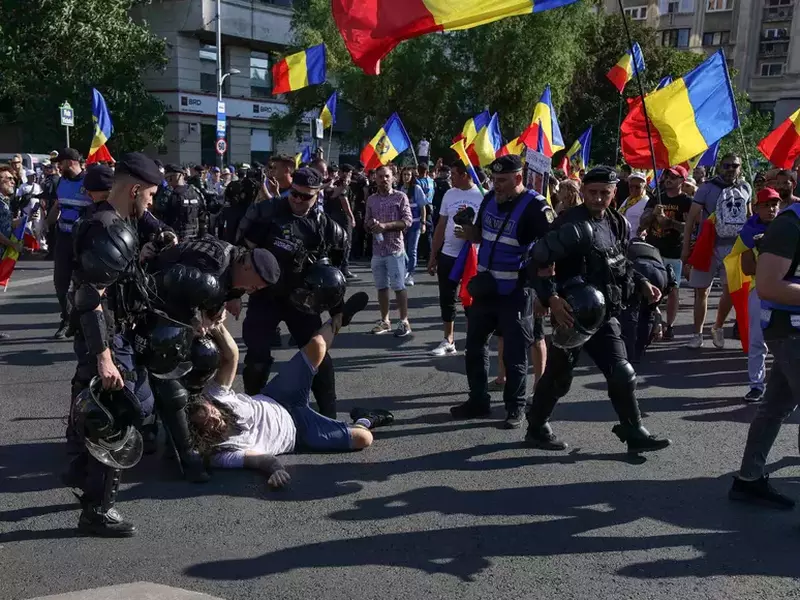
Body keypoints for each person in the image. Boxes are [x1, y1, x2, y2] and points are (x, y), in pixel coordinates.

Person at [526, 166, 671, 453]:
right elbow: (537, 260)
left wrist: (642, 282)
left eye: (605, 193)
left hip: (606, 314)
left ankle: (634, 431)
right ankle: (537, 426)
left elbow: (619, 261)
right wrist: (552, 299)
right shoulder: (569, 222)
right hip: (573, 315)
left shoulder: (617, 222)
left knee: (622, 372)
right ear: (583, 192)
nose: (598, 198)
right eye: (592, 192)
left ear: (614, 192)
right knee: (558, 378)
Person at [187, 293, 394, 487]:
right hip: (298, 432)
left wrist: (214, 323)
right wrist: (275, 470)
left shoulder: (215, 396)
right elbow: (260, 460)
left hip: (278, 396)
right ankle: (365, 419)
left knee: (316, 345)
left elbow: (231, 356)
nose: (215, 417)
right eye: (208, 424)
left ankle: (340, 318)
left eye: (210, 411)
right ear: (201, 435)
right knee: (363, 439)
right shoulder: (219, 454)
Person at [61, 152, 163, 537]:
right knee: (115, 415)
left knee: (96, 408)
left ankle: (81, 477)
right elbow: (90, 296)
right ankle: (98, 510)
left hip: (113, 331)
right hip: (105, 336)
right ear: (135, 189)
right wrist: (104, 356)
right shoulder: (107, 228)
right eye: (149, 194)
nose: (151, 202)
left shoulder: (115, 221)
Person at [144, 236, 280, 481]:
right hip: (151, 304)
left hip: (174, 309)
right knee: (171, 379)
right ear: (247, 267)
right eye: (255, 285)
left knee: (206, 355)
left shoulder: (231, 264)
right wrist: (194, 320)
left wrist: (215, 314)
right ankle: (187, 455)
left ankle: (177, 425)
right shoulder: (212, 265)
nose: (253, 291)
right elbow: (169, 284)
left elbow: (219, 295)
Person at [449, 155, 554, 429]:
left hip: (516, 292)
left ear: (519, 178)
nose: (497, 185)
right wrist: (468, 230)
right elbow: (480, 236)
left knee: (514, 354)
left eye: (503, 180)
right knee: (474, 347)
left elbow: (550, 250)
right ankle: (478, 401)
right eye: (494, 180)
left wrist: (546, 294)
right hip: (486, 290)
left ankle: (515, 408)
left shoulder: (535, 207)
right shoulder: (488, 200)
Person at [235, 166, 348, 418]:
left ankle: (329, 414)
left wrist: (337, 310)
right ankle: (254, 412)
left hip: (302, 300)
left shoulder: (323, 226)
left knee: (319, 355)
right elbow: (242, 257)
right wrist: (232, 295)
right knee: (256, 357)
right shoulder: (268, 213)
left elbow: (334, 274)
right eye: (294, 193)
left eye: (305, 196)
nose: (297, 200)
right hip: (264, 296)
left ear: (317, 195)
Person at [728, 187, 800, 510]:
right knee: (775, 406)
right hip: (790, 331)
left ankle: (748, 479)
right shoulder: (790, 224)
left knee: (775, 406)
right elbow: (769, 285)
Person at [682, 154, 752, 349]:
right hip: (709, 245)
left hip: (734, 247)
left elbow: (750, 216)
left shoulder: (746, 188)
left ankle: (718, 327)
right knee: (701, 290)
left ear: (740, 168)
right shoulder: (706, 188)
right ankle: (697, 334)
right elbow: (690, 221)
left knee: (730, 291)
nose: (731, 169)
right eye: (727, 165)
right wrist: (686, 247)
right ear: (720, 167)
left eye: (735, 165)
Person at [427, 161, 484, 356]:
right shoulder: (449, 194)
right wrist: (433, 254)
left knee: (471, 299)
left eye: (453, 174)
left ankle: (473, 340)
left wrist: (471, 234)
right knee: (446, 297)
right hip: (448, 254)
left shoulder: (483, 195)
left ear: (466, 175)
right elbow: (441, 225)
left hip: (472, 257)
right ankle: (448, 339)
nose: (450, 177)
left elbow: (488, 230)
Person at [731, 187, 781, 403]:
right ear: (757, 208)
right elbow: (747, 268)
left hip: (786, 293)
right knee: (758, 342)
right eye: (766, 205)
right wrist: (761, 250)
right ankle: (756, 386)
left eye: (774, 205)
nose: (771, 209)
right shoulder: (749, 232)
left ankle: (786, 387)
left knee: (786, 343)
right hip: (759, 292)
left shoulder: (789, 228)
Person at [640, 165, 693, 340]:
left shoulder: (686, 201)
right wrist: (652, 215)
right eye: (667, 175)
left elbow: (690, 228)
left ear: (682, 181)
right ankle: (654, 319)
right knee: (650, 288)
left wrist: (668, 222)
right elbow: (642, 223)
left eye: (674, 176)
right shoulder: (656, 197)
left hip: (673, 251)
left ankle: (669, 325)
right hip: (653, 250)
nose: (668, 179)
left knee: (673, 290)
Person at [46, 148, 92, 340]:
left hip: (84, 239)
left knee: (86, 283)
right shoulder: (61, 182)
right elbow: (55, 211)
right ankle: (66, 320)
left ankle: (87, 321)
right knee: (60, 283)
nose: (58, 166)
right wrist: (51, 217)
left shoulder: (89, 182)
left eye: (61, 162)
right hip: (64, 238)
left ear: (71, 162)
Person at [366, 165, 413, 337]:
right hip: (377, 250)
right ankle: (385, 320)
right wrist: (371, 224)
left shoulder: (400, 197)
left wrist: (385, 226)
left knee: (399, 287)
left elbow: (407, 221)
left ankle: (404, 321)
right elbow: (366, 222)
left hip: (394, 249)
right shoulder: (371, 199)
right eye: (380, 176)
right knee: (381, 287)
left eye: (386, 176)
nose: (383, 179)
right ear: (375, 178)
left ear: (393, 178)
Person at [0, 165, 24, 340]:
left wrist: (23, 220)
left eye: (12, 178)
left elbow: (6, 224)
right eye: (7, 179)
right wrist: (12, 245)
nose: (12, 181)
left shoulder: (4, 202)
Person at [154, 164, 206, 241]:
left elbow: (158, 216)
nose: (168, 181)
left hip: (176, 240)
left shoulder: (167, 193)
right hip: (191, 239)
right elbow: (203, 217)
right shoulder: (195, 191)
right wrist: (202, 236)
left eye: (169, 178)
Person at [325, 164, 358, 280]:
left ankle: (336, 267)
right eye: (348, 172)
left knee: (336, 243)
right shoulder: (342, 185)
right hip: (343, 217)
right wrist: (352, 217)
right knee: (346, 243)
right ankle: (344, 269)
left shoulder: (333, 183)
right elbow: (344, 202)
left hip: (333, 216)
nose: (349, 174)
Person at [399, 166, 428, 286]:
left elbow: (422, 207)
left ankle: (411, 273)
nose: (406, 177)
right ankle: (404, 269)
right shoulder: (400, 189)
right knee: (401, 249)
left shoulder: (416, 189)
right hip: (402, 224)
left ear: (412, 177)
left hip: (415, 224)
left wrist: (423, 223)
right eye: (404, 174)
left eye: (408, 175)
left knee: (412, 250)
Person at [617, 171, 649, 236]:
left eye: (637, 187)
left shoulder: (647, 202)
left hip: (635, 242)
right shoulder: (628, 199)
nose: (633, 189)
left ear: (645, 187)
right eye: (631, 186)